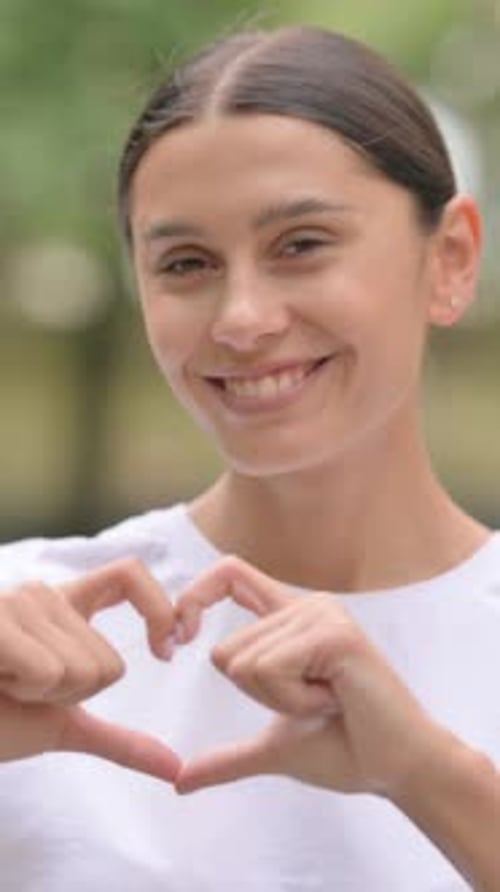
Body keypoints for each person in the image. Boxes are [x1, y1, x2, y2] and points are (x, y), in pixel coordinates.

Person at [0, 23, 498, 892]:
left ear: (451, 258)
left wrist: (428, 775)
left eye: (301, 244)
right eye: (186, 263)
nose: (241, 319)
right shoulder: (25, 629)